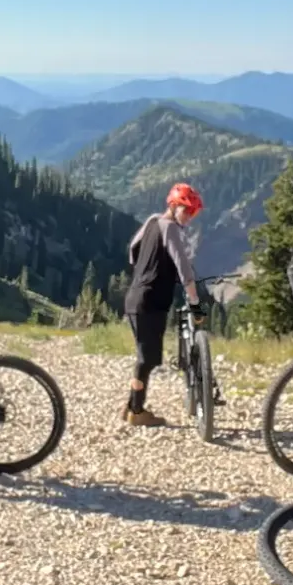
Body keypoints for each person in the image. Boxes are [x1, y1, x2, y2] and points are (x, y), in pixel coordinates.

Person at [121, 181, 206, 426]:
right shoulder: (170, 228)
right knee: (147, 359)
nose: (189, 217)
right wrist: (195, 303)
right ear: (174, 204)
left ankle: (129, 406)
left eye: (192, 213)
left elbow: (133, 250)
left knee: (147, 356)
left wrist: (148, 268)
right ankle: (136, 411)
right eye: (186, 210)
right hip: (150, 301)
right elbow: (184, 269)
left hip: (136, 296)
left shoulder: (152, 221)